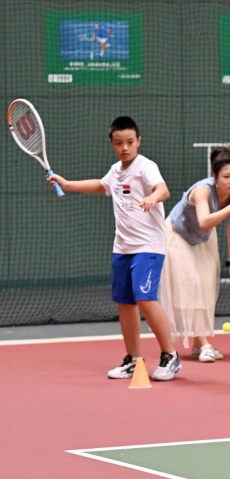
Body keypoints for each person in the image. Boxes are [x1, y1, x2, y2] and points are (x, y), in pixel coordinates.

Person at [47, 117, 181, 381]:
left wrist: (153, 196)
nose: (125, 148)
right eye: (119, 143)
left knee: (144, 297)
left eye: (130, 142)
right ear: (112, 144)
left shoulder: (146, 167)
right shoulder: (116, 171)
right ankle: (133, 359)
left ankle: (170, 356)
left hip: (148, 246)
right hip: (122, 247)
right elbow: (102, 185)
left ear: (138, 141)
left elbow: (162, 189)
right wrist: (67, 184)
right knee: (125, 302)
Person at [159, 147, 230, 363]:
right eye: (226, 176)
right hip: (178, 235)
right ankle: (203, 342)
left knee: (206, 287)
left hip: (204, 239)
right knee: (193, 285)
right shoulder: (202, 190)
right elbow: (204, 220)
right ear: (215, 177)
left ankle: (199, 345)